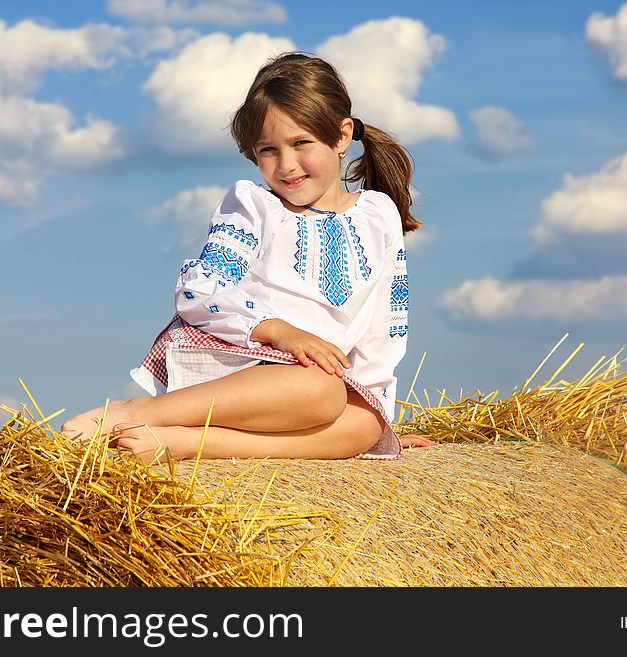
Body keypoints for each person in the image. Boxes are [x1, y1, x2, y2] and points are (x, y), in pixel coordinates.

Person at [60, 52, 435, 462]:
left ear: (342, 136)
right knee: (321, 388)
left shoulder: (378, 214)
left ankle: (186, 444)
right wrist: (279, 331)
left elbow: (384, 328)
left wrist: (380, 413)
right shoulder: (255, 207)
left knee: (363, 426)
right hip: (242, 367)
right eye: (268, 150)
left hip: (315, 387)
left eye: (300, 143)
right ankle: (135, 412)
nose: (286, 165)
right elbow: (198, 290)